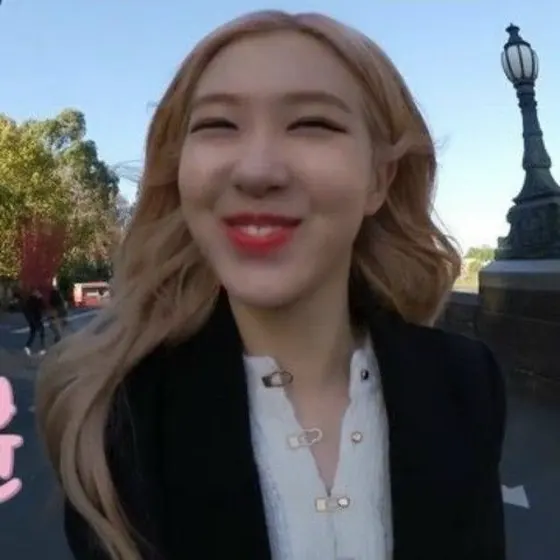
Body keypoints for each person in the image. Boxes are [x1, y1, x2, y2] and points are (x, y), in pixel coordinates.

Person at [36, 10, 506, 560]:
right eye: (218, 125)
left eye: (312, 124)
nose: (257, 171)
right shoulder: (110, 420)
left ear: (379, 180)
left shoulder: (466, 383)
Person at [23, 288, 46, 356]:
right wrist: (40, 298)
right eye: (37, 293)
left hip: (31, 320)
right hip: (37, 319)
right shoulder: (37, 300)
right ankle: (42, 348)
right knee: (42, 333)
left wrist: (29, 319)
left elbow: (25, 310)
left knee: (33, 333)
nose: (38, 293)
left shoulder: (28, 300)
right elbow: (43, 307)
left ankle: (27, 346)